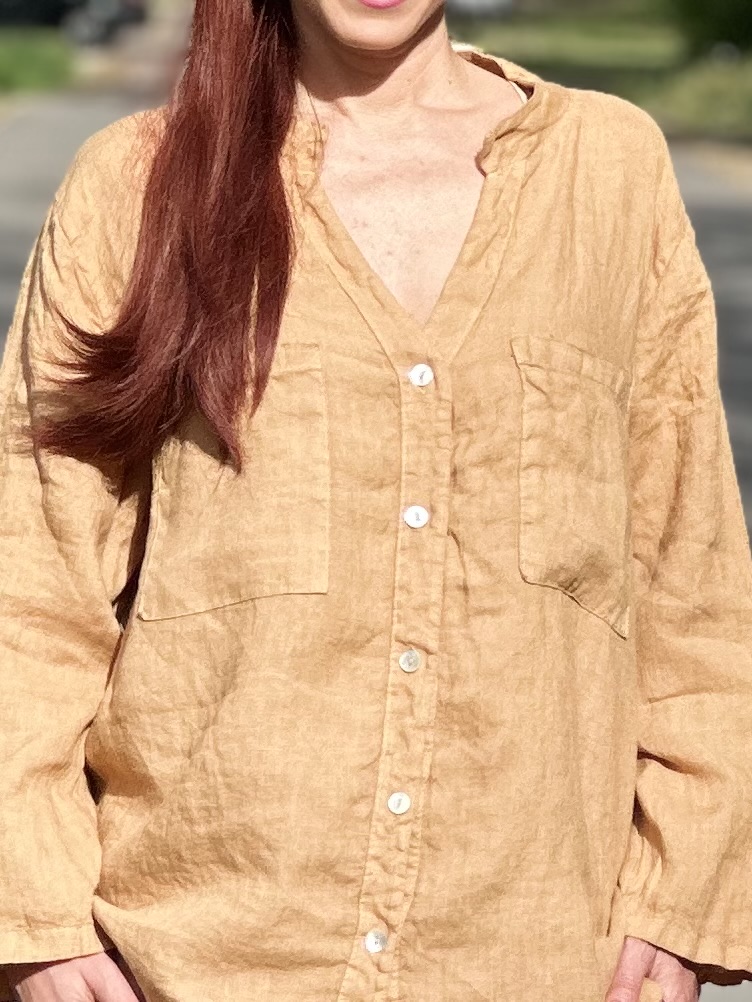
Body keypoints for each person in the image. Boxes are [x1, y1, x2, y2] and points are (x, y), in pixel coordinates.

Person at [1, 0, 751, 1000]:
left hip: (531, 956)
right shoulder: (133, 183)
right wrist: (39, 920)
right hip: (194, 959)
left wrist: (681, 888)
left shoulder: (606, 170)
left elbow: (688, 573)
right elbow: (33, 588)